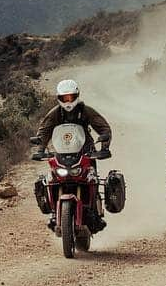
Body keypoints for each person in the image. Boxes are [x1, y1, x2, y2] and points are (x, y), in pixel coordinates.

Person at [35, 80, 112, 231]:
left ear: (77, 96)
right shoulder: (55, 113)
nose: (68, 101)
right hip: (62, 152)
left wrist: (104, 146)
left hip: (85, 151)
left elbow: (103, 127)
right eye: (65, 98)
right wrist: (40, 149)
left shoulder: (86, 111)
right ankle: (53, 212)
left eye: (71, 97)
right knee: (52, 180)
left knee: (92, 179)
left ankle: (95, 213)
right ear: (59, 98)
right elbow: (44, 131)